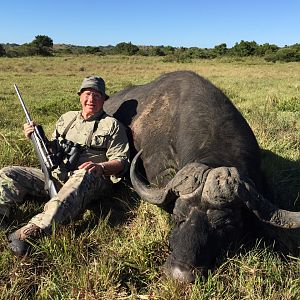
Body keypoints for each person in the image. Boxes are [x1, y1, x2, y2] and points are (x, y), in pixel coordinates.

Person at [0, 76, 130, 256]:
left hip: (92, 180)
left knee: (83, 173)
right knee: (9, 173)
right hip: (57, 175)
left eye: (96, 95)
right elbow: (53, 149)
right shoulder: (66, 118)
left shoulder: (113, 126)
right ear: (80, 96)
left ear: (104, 99)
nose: (91, 99)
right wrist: (36, 137)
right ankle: (2, 213)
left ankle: (33, 231)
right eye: (87, 94)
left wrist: (100, 167)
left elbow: (122, 161)